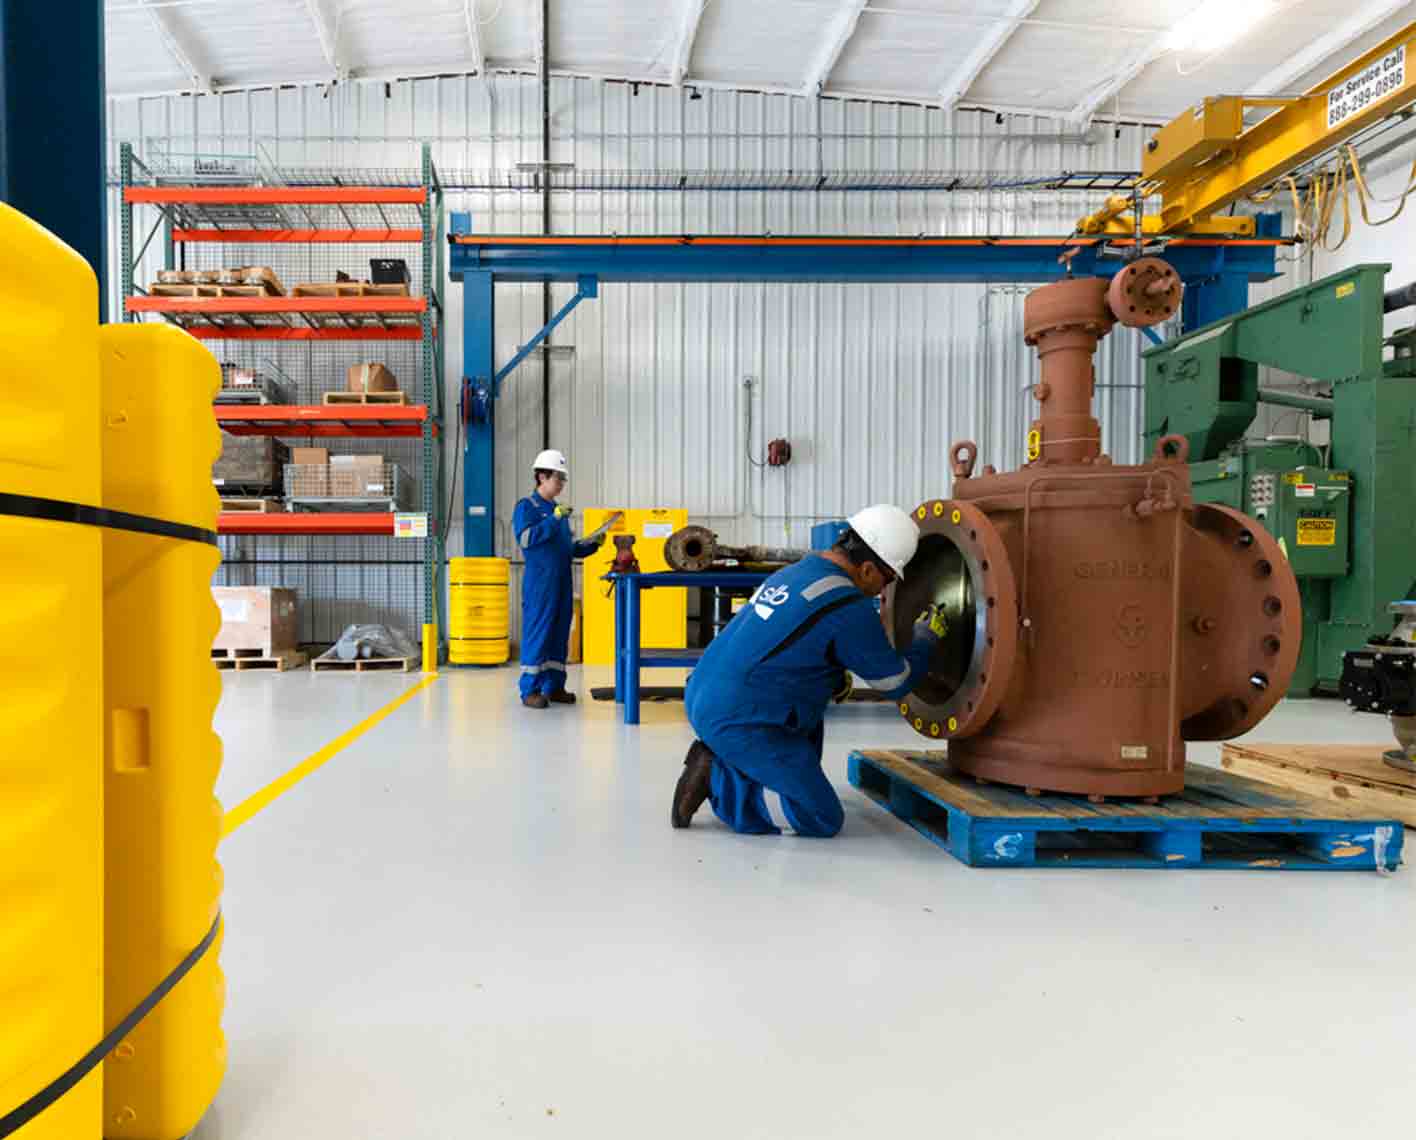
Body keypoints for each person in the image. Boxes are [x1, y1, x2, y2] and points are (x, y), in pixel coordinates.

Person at [672, 504, 949, 837]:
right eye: (887, 579)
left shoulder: (797, 571)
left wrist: (832, 673)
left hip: (704, 692)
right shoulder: (848, 604)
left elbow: (785, 640)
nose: (883, 590)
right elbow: (894, 681)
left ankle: (732, 753)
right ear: (866, 569)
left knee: (809, 711)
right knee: (822, 819)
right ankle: (715, 766)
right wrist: (926, 638)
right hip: (738, 717)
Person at [513, 449, 604, 710]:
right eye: (557, 478)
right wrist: (553, 520)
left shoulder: (557, 512)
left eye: (563, 479)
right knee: (538, 633)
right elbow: (526, 540)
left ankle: (554, 687)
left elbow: (568, 549)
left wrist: (591, 545)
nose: (561, 484)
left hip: (562, 584)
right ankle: (529, 690)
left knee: (558, 634)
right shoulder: (527, 507)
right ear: (541, 476)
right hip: (540, 585)